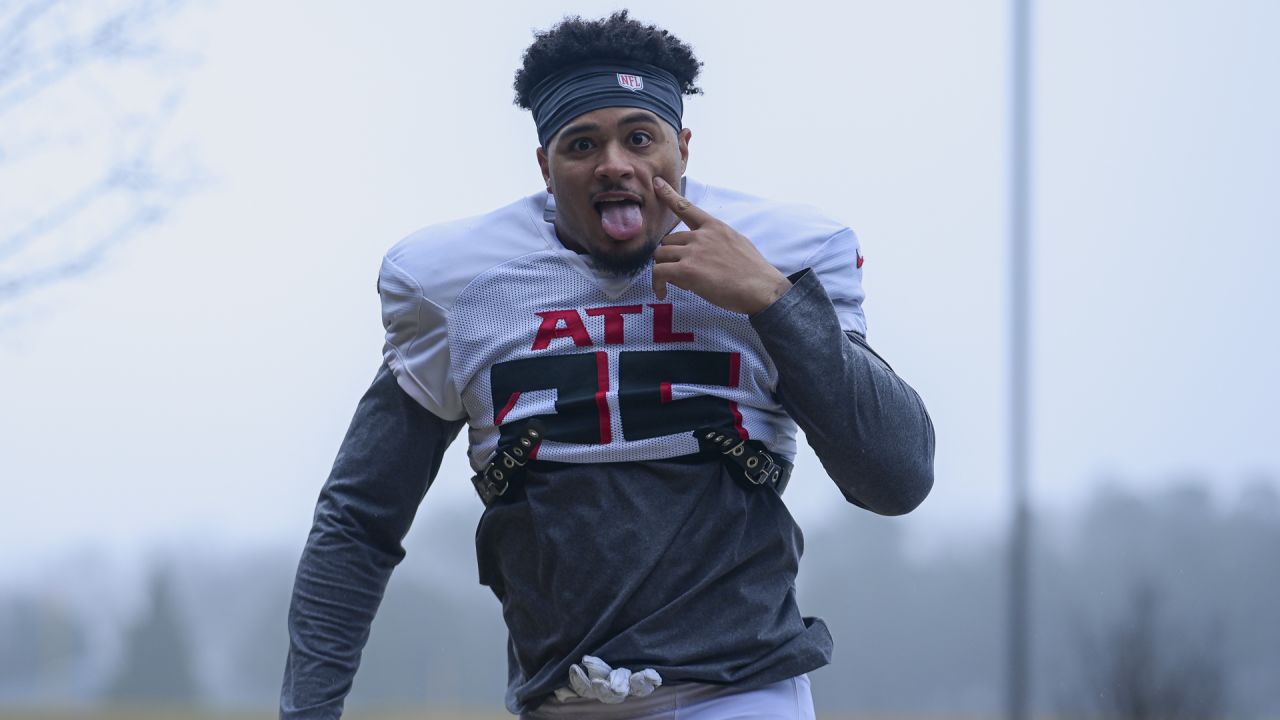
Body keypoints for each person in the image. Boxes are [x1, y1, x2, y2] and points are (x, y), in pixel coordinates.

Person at [281, 10, 935, 720]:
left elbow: (896, 478)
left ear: (683, 149)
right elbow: (359, 518)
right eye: (582, 143)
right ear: (544, 164)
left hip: (744, 694)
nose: (615, 164)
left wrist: (776, 302)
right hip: (563, 698)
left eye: (640, 136)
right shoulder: (459, 287)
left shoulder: (775, 258)